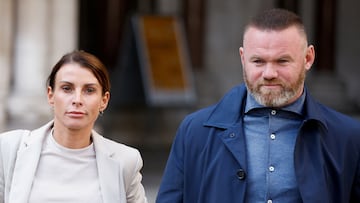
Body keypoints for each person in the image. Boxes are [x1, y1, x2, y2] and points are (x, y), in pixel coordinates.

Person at [156, 8, 360, 203]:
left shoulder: (348, 137)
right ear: (243, 58)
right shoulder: (194, 131)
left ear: (308, 58)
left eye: (282, 61)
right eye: (258, 61)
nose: (269, 73)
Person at [0, 50, 148, 203]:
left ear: (104, 100)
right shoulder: (9, 149)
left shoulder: (126, 161)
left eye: (89, 90)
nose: (77, 100)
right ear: (50, 95)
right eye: (67, 88)